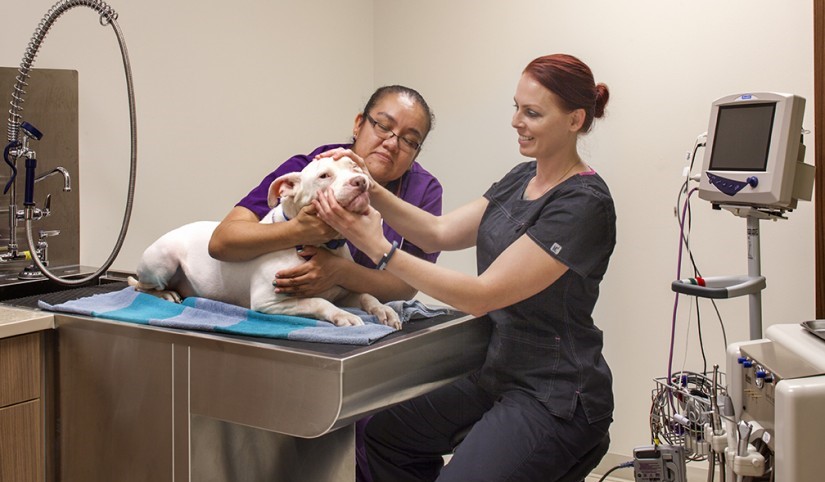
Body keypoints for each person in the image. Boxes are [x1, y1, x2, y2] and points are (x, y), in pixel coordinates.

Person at [313, 53, 615, 481]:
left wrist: (379, 248)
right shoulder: (520, 178)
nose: (516, 121)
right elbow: (437, 232)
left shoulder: (583, 204)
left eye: (531, 113)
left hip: (556, 391)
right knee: (382, 435)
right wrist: (368, 184)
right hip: (498, 370)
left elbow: (483, 295)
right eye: (516, 107)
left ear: (574, 119)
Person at [208, 85, 443, 482]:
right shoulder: (312, 168)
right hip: (295, 330)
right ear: (358, 124)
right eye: (383, 126)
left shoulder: (422, 191)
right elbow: (223, 241)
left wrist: (338, 272)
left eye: (409, 140)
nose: (392, 143)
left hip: (370, 338)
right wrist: (297, 230)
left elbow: (405, 287)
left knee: (389, 436)